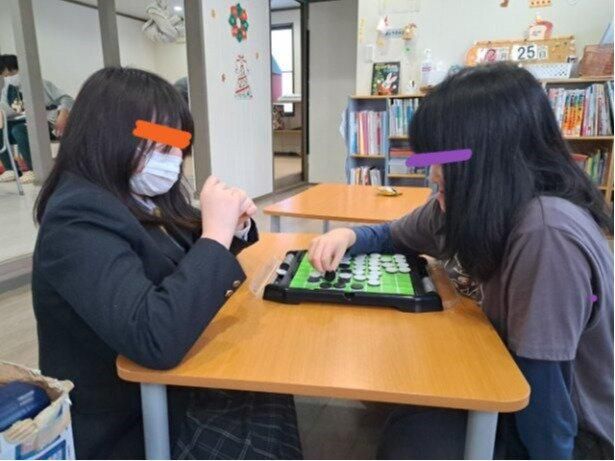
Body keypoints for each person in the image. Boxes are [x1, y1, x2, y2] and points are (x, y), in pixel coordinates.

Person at [308, 63, 613, 459]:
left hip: (572, 434)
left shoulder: (546, 233)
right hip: (505, 377)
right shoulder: (467, 203)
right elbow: (391, 235)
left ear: (487, 165)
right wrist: (347, 235)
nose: (433, 177)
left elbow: (545, 398)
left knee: (412, 436)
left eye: (443, 166)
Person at [32, 67, 301, 459]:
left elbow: (187, 257)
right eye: (162, 147)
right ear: (110, 136)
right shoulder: (76, 220)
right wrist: (215, 234)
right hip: (129, 420)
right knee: (265, 394)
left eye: (178, 146)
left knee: (271, 382)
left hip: (176, 383)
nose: (175, 161)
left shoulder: (139, 195)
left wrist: (234, 227)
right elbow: (154, 337)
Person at [0, 54, 74, 183]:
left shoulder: (39, 83)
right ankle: (11, 169)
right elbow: (4, 107)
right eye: (5, 76)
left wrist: (63, 115)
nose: (8, 78)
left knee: (18, 130)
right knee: (4, 129)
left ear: (19, 69)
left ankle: (33, 169)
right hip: (22, 121)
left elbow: (66, 98)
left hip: (45, 122)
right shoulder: (8, 89)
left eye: (10, 74)